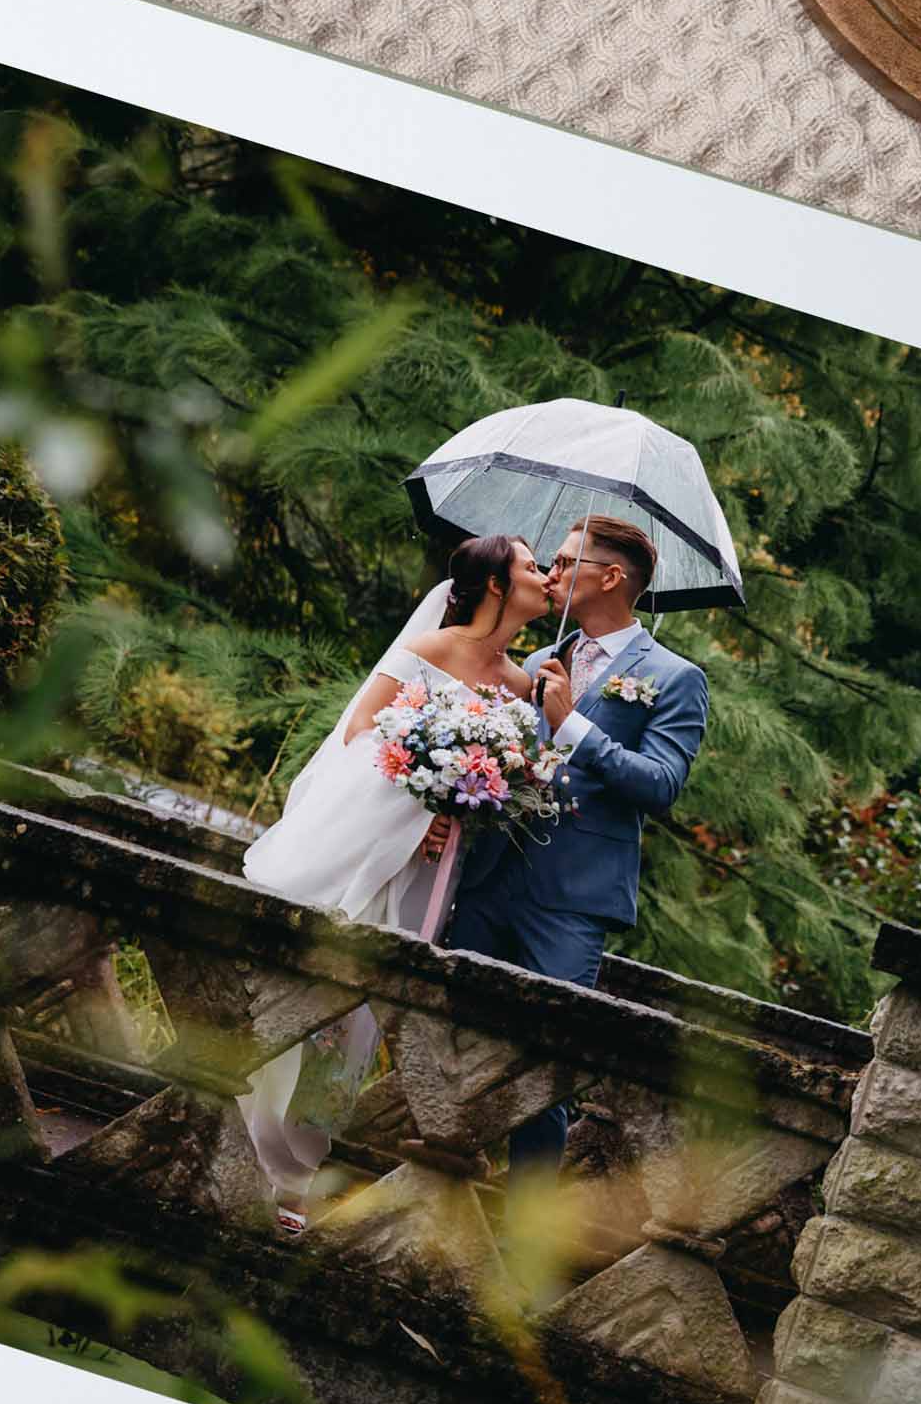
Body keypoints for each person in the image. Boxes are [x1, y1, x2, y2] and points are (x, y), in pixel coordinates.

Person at [237, 532, 551, 1235]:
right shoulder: (432, 650)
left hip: (427, 873)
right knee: (310, 994)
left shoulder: (525, 685)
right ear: (497, 584)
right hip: (370, 848)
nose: (545, 576)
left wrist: (461, 807)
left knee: (357, 1018)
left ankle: (297, 1174)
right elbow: (360, 735)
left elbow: (505, 786)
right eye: (532, 566)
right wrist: (421, 808)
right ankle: (252, 1153)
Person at [442, 514, 710, 1170]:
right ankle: (436, 1185)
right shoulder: (538, 659)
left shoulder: (675, 678)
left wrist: (574, 729)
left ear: (611, 576)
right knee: (454, 1035)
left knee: (543, 1070)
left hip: (572, 900)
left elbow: (661, 785)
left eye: (565, 563)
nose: (550, 573)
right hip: (489, 876)